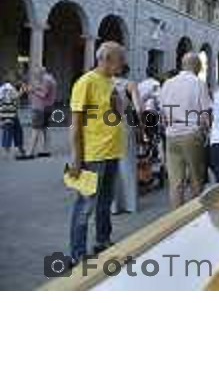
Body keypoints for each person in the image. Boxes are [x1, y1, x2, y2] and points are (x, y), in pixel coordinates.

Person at [68, 42, 126, 264]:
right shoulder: (86, 82)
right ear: (107, 58)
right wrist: (76, 157)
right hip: (93, 154)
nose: (123, 63)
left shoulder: (110, 82)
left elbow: (119, 114)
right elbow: (75, 124)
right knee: (85, 206)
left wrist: (118, 98)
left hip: (112, 151)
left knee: (105, 202)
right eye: (120, 59)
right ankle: (77, 254)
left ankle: (103, 240)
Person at [160, 52, 212, 209]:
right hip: (191, 133)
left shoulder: (168, 83)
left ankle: (176, 220)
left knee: (175, 183)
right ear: (197, 66)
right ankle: (194, 217)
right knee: (196, 179)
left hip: (171, 134)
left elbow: (162, 111)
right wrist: (206, 133)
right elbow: (204, 115)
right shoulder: (198, 83)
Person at [112, 64, 142, 214]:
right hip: (124, 124)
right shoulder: (129, 84)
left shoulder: (104, 82)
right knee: (127, 163)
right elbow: (138, 108)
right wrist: (140, 126)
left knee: (112, 164)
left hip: (106, 126)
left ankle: (113, 205)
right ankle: (129, 204)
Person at [27, 66, 57, 158]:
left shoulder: (46, 80)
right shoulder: (49, 79)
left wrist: (32, 91)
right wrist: (36, 88)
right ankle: (46, 150)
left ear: (40, 73)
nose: (35, 76)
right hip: (47, 107)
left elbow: (43, 94)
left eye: (36, 74)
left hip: (40, 108)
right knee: (45, 129)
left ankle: (30, 152)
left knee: (35, 129)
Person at [0, 71, 27, 159]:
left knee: (11, 130)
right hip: (10, 113)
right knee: (12, 131)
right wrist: (22, 91)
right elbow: (16, 96)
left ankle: (18, 148)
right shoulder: (10, 88)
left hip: (4, 113)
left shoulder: (2, 87)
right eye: (17, 80)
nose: (17, 82)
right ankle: (9, 150)